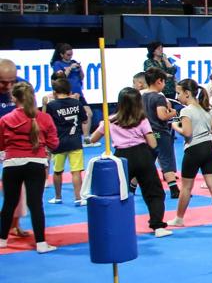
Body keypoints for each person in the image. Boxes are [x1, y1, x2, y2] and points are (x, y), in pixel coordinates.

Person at [86, 88, 169, 237]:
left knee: (119, 193)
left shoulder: (110, 120)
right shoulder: (142, 120)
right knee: (153, 192)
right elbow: (153, 144)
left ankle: (117, 226)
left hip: (122, 158)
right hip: (142, 155)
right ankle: (158, 226)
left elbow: (93, 139)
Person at [0, 82, 58, 252]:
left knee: (9, 202)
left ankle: (2, 239)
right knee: (35, 204)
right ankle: (41, 243)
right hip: (36, 164)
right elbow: (54, 143)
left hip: (12, 164)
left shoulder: (5, 119)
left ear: (13, 98)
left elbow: (1, 145)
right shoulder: (45, 118)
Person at [171, 78, 212, 227]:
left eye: (178, 93)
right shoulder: (205, 109)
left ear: (187, 93)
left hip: (194, 150)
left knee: (186, 187)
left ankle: (179, 218)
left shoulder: (185, 111)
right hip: (208, 148)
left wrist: (174, 126)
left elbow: (187, 132)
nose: (177, 97)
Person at [45, 73, 90, 206]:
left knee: (57, 171)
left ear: (54, 92)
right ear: (70, 91)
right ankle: (78, 198)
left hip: (58, 143)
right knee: (76, 172)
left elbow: (46, 122)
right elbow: (85, 119)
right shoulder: (77, 102)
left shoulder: (52, 105)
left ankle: (58, 197)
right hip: (75, 142)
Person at [141, 69, 180, 200]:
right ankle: (174, 190)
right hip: (160, 134)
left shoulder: (142, 96)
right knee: (166, 160)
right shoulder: (158, 97)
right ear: (159, 81)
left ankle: (131, 187)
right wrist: (173, 113)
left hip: (147, 134)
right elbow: (162, 116)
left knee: (146, 161)